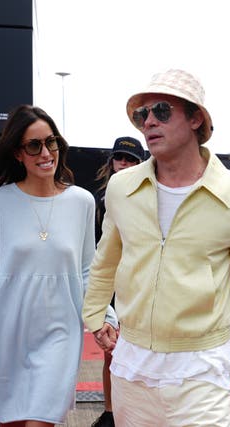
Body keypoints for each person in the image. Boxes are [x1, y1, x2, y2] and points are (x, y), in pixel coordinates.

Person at [82, 69, 230, 426]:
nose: (149, 122)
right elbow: (106, 258)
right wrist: (94, 315)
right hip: (132, 363)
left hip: (200, 368)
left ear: (196, 118)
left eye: (161, 111)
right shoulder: (121, 187)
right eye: (143, 115)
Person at [0, 105, 116, 427]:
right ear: (18, 153)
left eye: (51, 142)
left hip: (60, 332)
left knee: (40, 422)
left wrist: (106, 316)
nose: (46, 153)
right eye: (34, 145)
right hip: (5, 333)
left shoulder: (82, 202)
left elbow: (88, 270)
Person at [91, 136, 144, 427]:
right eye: (120, 158)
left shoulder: (150, 195)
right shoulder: (100, 200)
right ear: (111, 162)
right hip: (111, 285)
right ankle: (111, 412)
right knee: (111, 354)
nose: (124, 164)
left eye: (131, 159)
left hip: (140, 285)